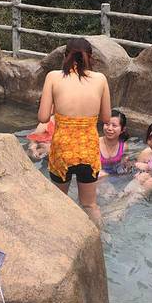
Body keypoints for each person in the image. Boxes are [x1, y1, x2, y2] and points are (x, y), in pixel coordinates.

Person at [37, 37, 111, 227]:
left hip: (63, 150)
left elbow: (43, 117)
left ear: (65, 56)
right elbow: (106, 118)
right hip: (88, 150)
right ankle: (99, 238)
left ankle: (59, 236)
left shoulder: (53, 77)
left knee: (59, 202)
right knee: (89, 204)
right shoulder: (100, 79)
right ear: (90, 57)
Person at [99, 109, 131, 177]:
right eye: (107, 124)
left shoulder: (124, 147)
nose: (109, 128)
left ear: (123, 129)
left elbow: (124, 168)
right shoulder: (95, 144)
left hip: (115, 177)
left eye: (114, 126)